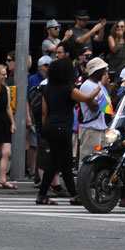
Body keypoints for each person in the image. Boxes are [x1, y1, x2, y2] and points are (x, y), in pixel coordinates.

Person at [36, 56, 100, 206]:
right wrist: (100, 86)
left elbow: (44, 112)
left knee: (64, 162)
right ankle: (42, 195)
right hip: (63, 127)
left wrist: (44, 131)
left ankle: (73, 194)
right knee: (55, 162)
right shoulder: (68, 89)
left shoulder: (47, 89)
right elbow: (87, 97)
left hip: (51, 127)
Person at [76, 57, 111, 162]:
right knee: (88, 160)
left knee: (100, 161)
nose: (105, 72)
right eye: (103, 70)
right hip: (90, 129)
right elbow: (94, 107)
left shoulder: (98, 85)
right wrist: (102, 86)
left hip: (101, 128)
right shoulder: (87, 86)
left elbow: (107, 105)